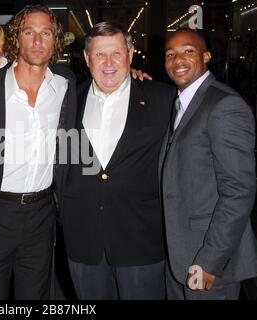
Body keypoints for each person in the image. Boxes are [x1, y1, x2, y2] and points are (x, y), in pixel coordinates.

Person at [0, 4, 77, 299]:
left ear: (56, 40)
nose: (38, 41)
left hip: (42, 216)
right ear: (16, 38)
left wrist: (135, 78)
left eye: (46, 33)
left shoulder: (67, 85)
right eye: (29, 32)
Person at [60, 22, 175, 300]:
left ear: (130, 54)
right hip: (83, 243)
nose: (108, 62)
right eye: (100, 54)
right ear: (87, 59)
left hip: (141, 241)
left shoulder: (164, 99)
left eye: (116, 53)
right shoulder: (67, 101)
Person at [160, 28, 257, 300]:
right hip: (178, 256)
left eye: (188, 51)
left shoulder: (224, 106)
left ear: (207, 56)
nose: (178, 59)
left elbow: (238, 191)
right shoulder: (180, 103)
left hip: (208, 262)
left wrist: (209, 262)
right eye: (170, 54)